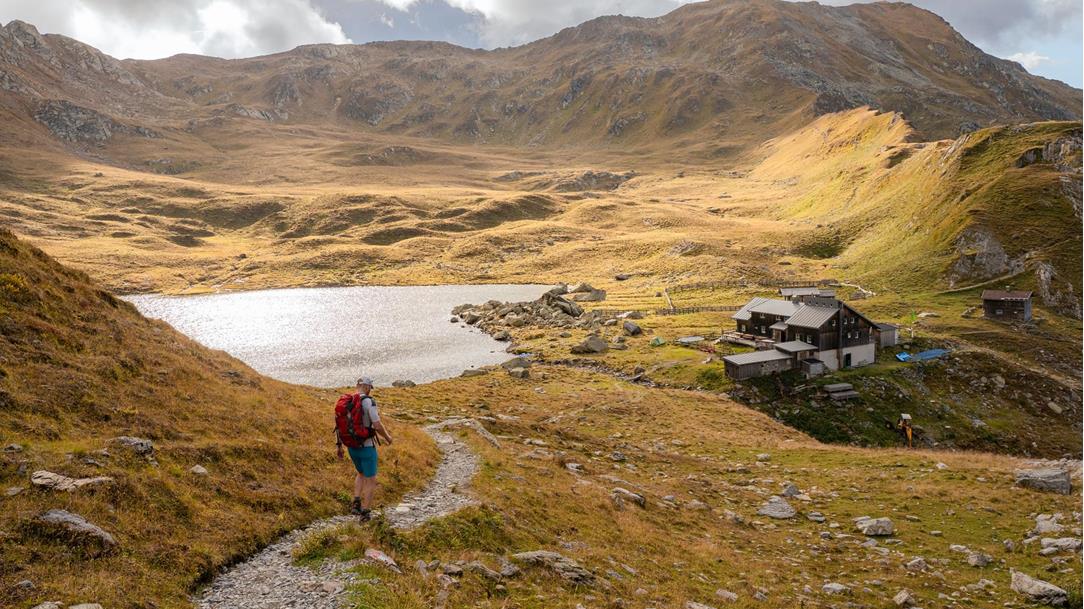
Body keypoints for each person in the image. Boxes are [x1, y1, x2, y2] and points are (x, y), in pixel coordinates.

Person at [336, 376, 393, 520]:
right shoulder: (368, 402)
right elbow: (377, 425)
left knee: (360, 472)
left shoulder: (346, 401)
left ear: (357, 385)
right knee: (371, 479)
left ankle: (356, 503)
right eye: (370, 388)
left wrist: (340, 446)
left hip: (351, 446)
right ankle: (366, 512)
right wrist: (387, 438)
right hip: (366, 446)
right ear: (367, 387)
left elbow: (339, 425)